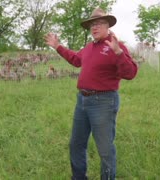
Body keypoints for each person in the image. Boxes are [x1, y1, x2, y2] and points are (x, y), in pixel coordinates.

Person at [44, 7, 138, 180]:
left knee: (104, 149)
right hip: (82, 101)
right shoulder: (89, 48)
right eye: (92, 25)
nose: (94, 27)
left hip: (103, 102)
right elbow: (75, 60)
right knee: (76, 144)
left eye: (99, 23)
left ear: (108, 26)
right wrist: (58, 46)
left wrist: (118, 53)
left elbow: (130, 73)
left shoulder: (117, 46)